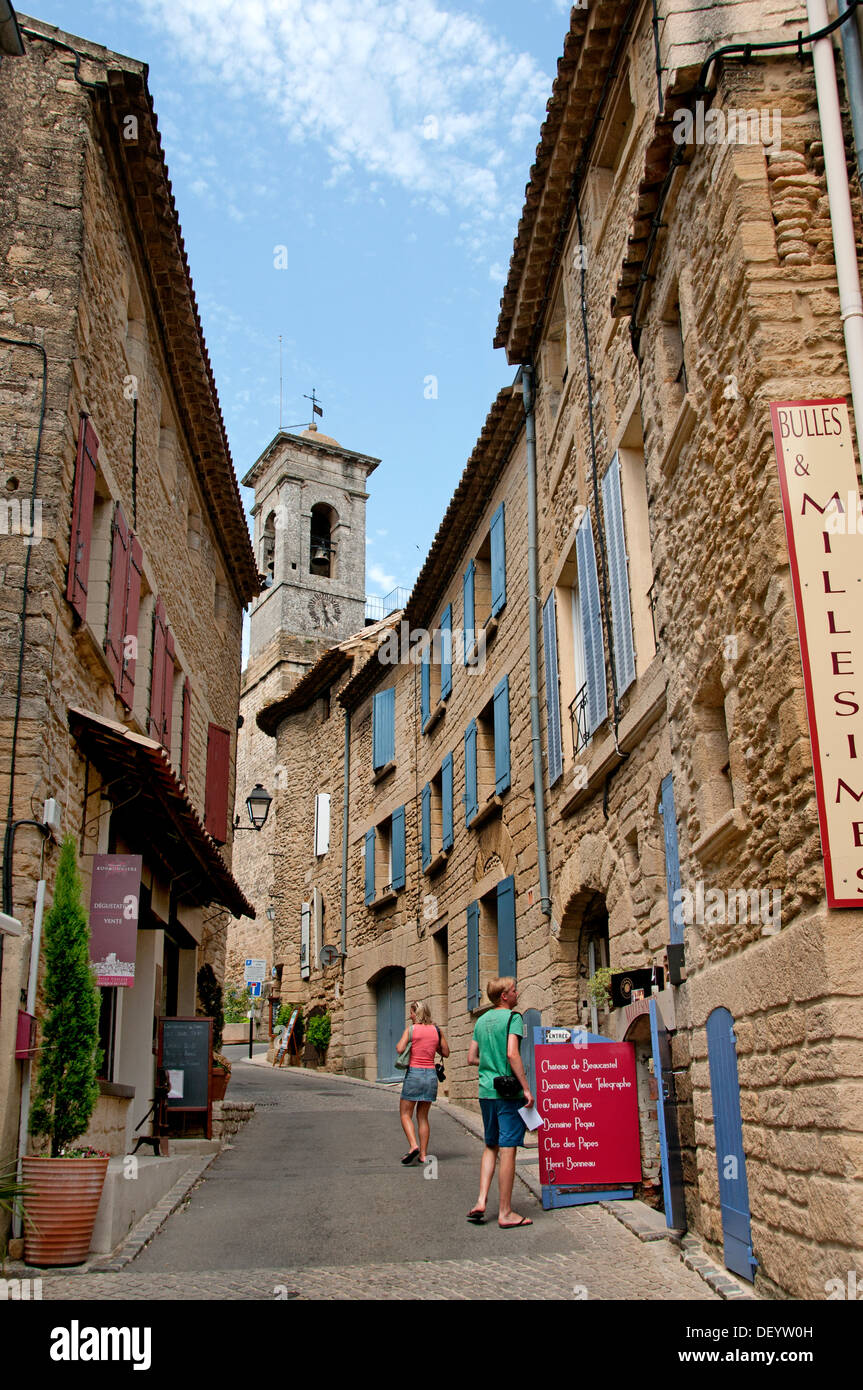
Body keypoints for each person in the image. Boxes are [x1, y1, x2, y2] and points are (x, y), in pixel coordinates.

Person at [467, 976, 535, 1228]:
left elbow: (471, 1057)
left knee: (490, 1145)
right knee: (508, 1150)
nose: (517, 993)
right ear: (504, 996)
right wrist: (526, 1089)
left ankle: (481, 1200)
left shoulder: (482, 1020)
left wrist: (488, 1065)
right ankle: (505, 1212)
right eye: (514, 990)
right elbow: (512, 1053)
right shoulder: (513, 1018)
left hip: (486, 1092)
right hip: (507, 1094)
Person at [395, 1000, 449, 1165]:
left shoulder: (411, 1030)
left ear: (415, 1014)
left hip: (415, 1074)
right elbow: (445, 1052)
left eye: (411, 1013)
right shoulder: (436, 1030)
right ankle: (424, 1155)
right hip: (431, 1075)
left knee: (405, 1114)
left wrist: (412, 1042)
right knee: (423, 1116)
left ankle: (413, 1146)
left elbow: (399, 1048)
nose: (410, 1016)